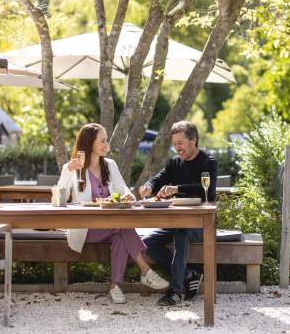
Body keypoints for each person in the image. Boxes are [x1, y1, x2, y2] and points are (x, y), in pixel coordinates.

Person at [57, 123, 168, 304]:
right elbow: (60, 196)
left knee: (120, 236)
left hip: (112, 228)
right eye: (102, 140)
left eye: (106, 140)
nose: (106, 144)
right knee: (122, 228)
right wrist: (68, 171)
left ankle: (115, 286)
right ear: (89, 143)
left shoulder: (110, 165)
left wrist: (128, 196)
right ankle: (146, 271)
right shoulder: (73, 168)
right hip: (86, 229)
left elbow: (124, 191)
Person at [139, 120, 217, 306]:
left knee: (182, 235)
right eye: (174, 144)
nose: (177, 148)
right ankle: (190, 275)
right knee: (145, 243)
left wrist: (176, 188)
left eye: (180, 143)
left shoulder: (208, 162)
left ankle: (175, 291)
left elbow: (206, 191)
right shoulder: (175, 162)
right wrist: (149, 185)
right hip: (176, 222)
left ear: (193, 140)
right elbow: (159, 178)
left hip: (201, 224)